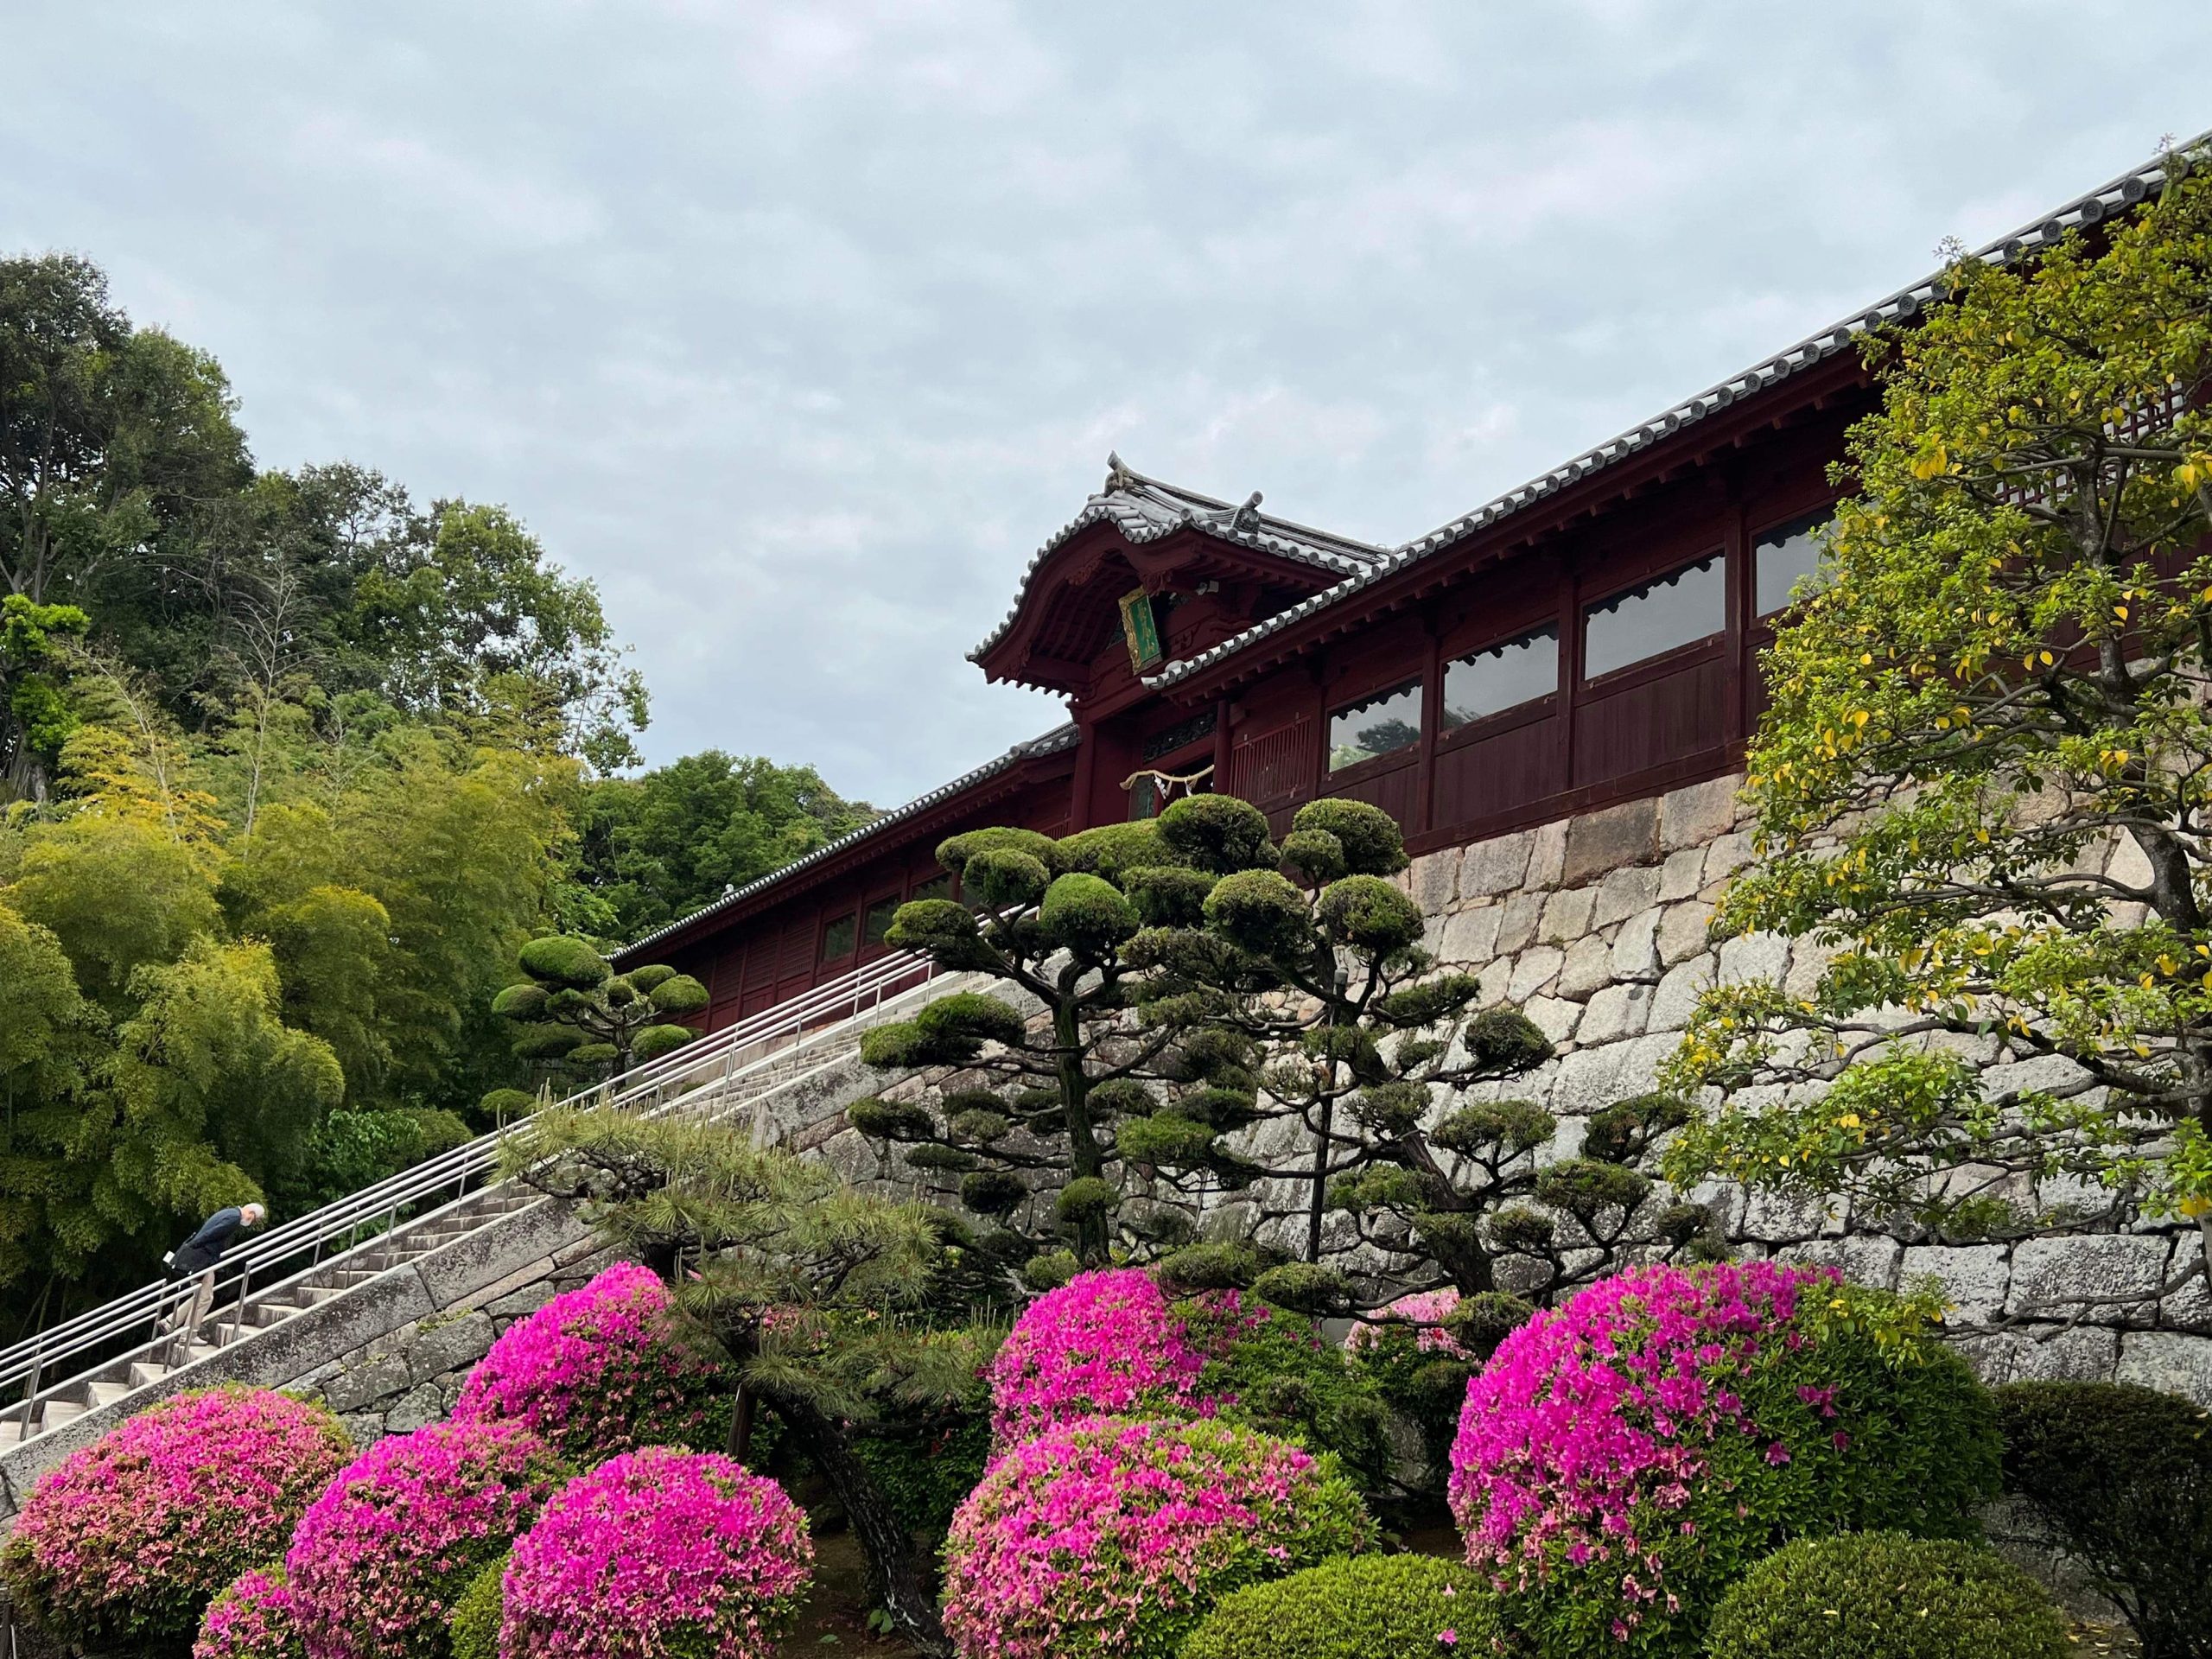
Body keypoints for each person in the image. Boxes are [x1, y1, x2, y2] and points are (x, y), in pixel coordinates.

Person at [159, 1202, 267, 1356]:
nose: (251, 1222)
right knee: (206, 1298)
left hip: (201, 1259)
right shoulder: (234, 1218)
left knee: (201, 1295)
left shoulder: (228, 1212)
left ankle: (171, 1322)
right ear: (251, 1213)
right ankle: (188, 1334)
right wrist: (195, 1246)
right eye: (254, 1219)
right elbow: (212, 1234)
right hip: (203, 1260)